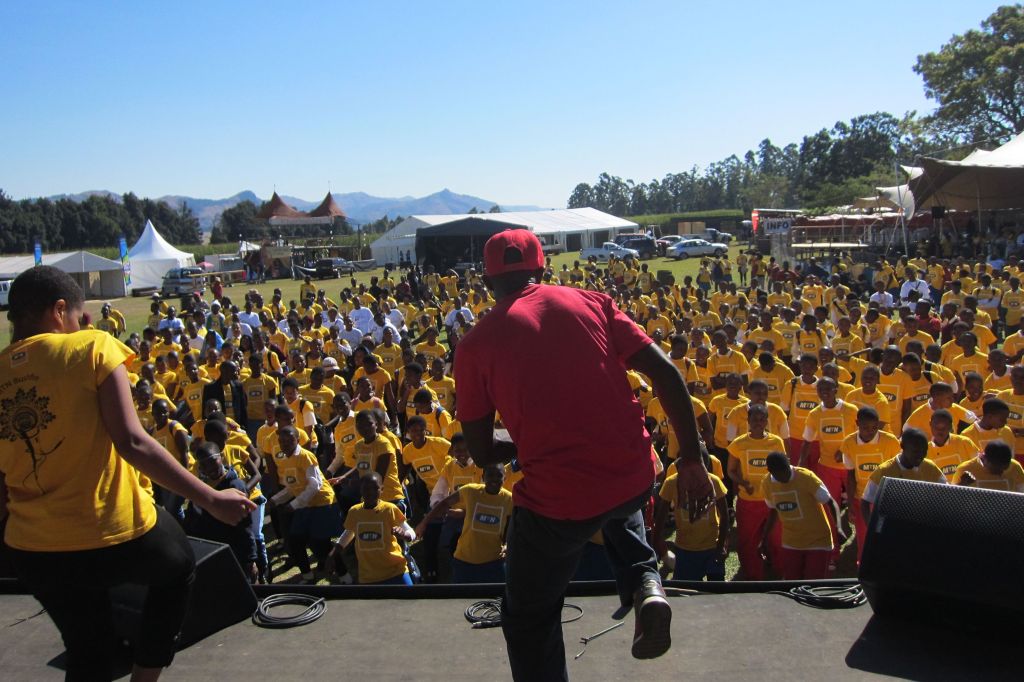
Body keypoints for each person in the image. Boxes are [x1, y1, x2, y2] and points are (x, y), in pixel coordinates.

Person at [455, 230, 712, 680]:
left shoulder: (474, 345)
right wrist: (692, 459)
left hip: (560, 502)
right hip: (632, 471)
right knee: (616, 499)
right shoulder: (593, 301)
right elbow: (667, 375)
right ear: (542, 267)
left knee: (528, 617)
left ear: (487, 280)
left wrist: (523, 445)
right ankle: (645, 581)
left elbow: (480, 451)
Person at [0, 266, 254, 681]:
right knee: (178, 567)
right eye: (79, 317)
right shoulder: (92, 347)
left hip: (32, 549)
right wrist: (211, 498)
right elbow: (132, 442)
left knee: (87, 650)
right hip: (109, 532)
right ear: (60, 310)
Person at [414, 464, 513, 583]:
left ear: (505, 478)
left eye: (499, 476)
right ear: (483, 476)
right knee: (461, 599)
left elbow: (511, 526)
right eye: (490, 475)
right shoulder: (470, 490)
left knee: (496, 599)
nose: (494, 479)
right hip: (464, 561)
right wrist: (424, 523)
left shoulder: (510, 499)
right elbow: (444, 503)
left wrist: (507, 544)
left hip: (494, 562)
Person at [761, 451, 844, 580]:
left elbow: (831, 502)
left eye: (785, 471)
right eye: (778, 474)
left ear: (789, 464)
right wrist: (764, 539)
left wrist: (838, 528)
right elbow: (773, 511)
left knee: (813, 583)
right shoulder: (767, 483)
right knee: (792, 582)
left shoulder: (806, 477)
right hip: (791, 542)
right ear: (770, 471)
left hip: (818, 541)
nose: (783, 477)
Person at [332, 473, 416, 585]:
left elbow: (412, 532)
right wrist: (333, 553)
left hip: (396, 572)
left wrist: (405, 535)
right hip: (369, 576)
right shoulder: (354, 512)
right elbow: (349, 533)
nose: (370, 492)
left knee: (408, 601)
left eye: (375, 488)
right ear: (360, 490)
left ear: (382, 489)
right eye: (366, 489)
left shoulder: (389, 509)